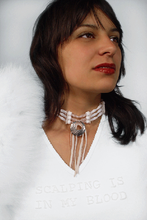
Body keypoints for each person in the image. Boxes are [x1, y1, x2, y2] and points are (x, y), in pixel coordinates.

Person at [0, 0, 147, 219]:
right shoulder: (9, 144)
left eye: (115, 38)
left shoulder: (141, 141)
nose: (110, 47)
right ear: (51, 49)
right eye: (87, 35)